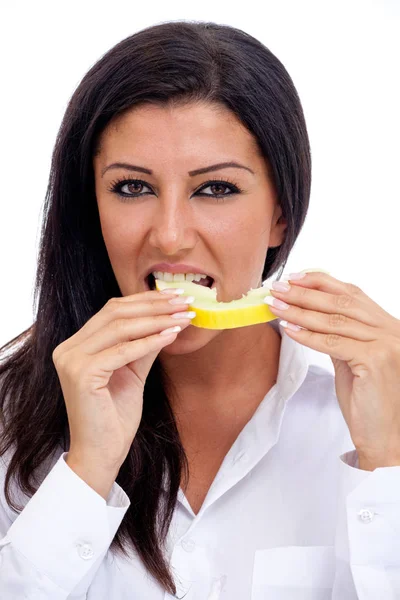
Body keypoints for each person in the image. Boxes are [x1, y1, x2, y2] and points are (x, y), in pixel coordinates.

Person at [0, 20, 392, 600]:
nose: (171, 236)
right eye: (133, 187)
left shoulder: (375, 403)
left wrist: (389, 464)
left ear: (281, 213)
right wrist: (85, 473)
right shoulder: (12, 419)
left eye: (215, 189)